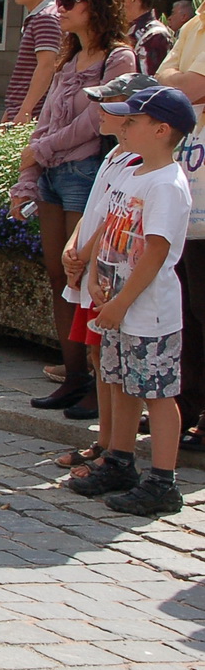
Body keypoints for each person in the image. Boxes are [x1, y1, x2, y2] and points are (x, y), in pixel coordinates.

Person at [10, 0, 136, 418]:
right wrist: (27, 176)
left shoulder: (119, 59)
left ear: (95, 6)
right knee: (58, 277)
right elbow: (47, 118)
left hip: (86, 173)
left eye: (69, 1)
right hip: (51, 176)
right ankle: (73, 375)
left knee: (84, 277)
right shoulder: (69, 59)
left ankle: (96, 384)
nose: (60, 9)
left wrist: (39, 149)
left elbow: (96, 120)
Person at [68, 86, 196, 516]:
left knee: (157, 392)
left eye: (133, 121)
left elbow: (156, 251)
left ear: (161, 130)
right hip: (116, 305)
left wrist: (122, 302)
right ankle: (119, 459)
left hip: (148, 311)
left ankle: (163, 480)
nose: (123, 125)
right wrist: (100, 284)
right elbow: (109, 228)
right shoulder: (131, 170)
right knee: (122, 383)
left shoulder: (166, 184)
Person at [154, 0, 205, 452]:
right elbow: (163, 86)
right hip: (191, 186)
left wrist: (173, 86)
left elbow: (186, 85)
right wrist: (173, 86)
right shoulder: (192, 24)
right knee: (188, 309)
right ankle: (186, 407)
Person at [3, 0, 63, 123]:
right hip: (24, 108)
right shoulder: (42, 15)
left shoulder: (46, 18)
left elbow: (47, 66)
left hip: (35, 113)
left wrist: (26, 110)